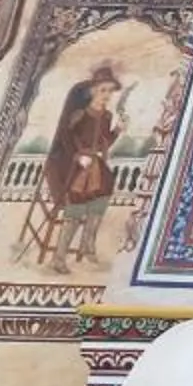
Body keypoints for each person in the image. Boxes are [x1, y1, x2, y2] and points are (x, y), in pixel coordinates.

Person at [37, 63, 127, 271]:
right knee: (77, 202)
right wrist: (78, 157)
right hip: (72, 166)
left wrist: (116, 132)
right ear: (93, 90)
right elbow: (66, 141)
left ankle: (88, 243)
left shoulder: (106, 117)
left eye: (110, 91)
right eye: (103, 90)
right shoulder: (79, 115)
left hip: (94, 165)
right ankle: (58, 259)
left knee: (106, 186)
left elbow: (104, 144)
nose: (107, 95)